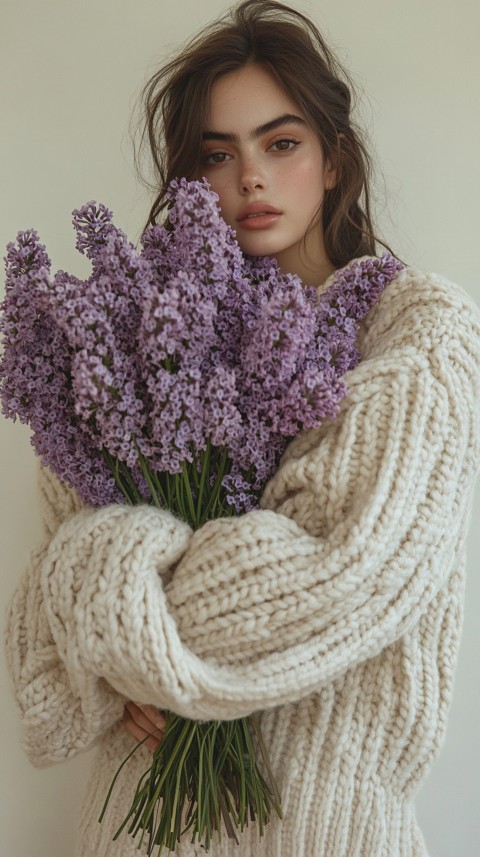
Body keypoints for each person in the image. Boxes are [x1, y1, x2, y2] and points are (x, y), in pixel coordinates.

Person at [5, 1, 480, 856]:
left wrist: (126, 634)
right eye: (216, 155)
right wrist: (111, 621)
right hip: (132, 833)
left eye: (281, 142)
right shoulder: (123, 335)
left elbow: (336, 572)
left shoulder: (419, 339)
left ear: (334, 160)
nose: (249, 177)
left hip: (319, 834)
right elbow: (44, 592)